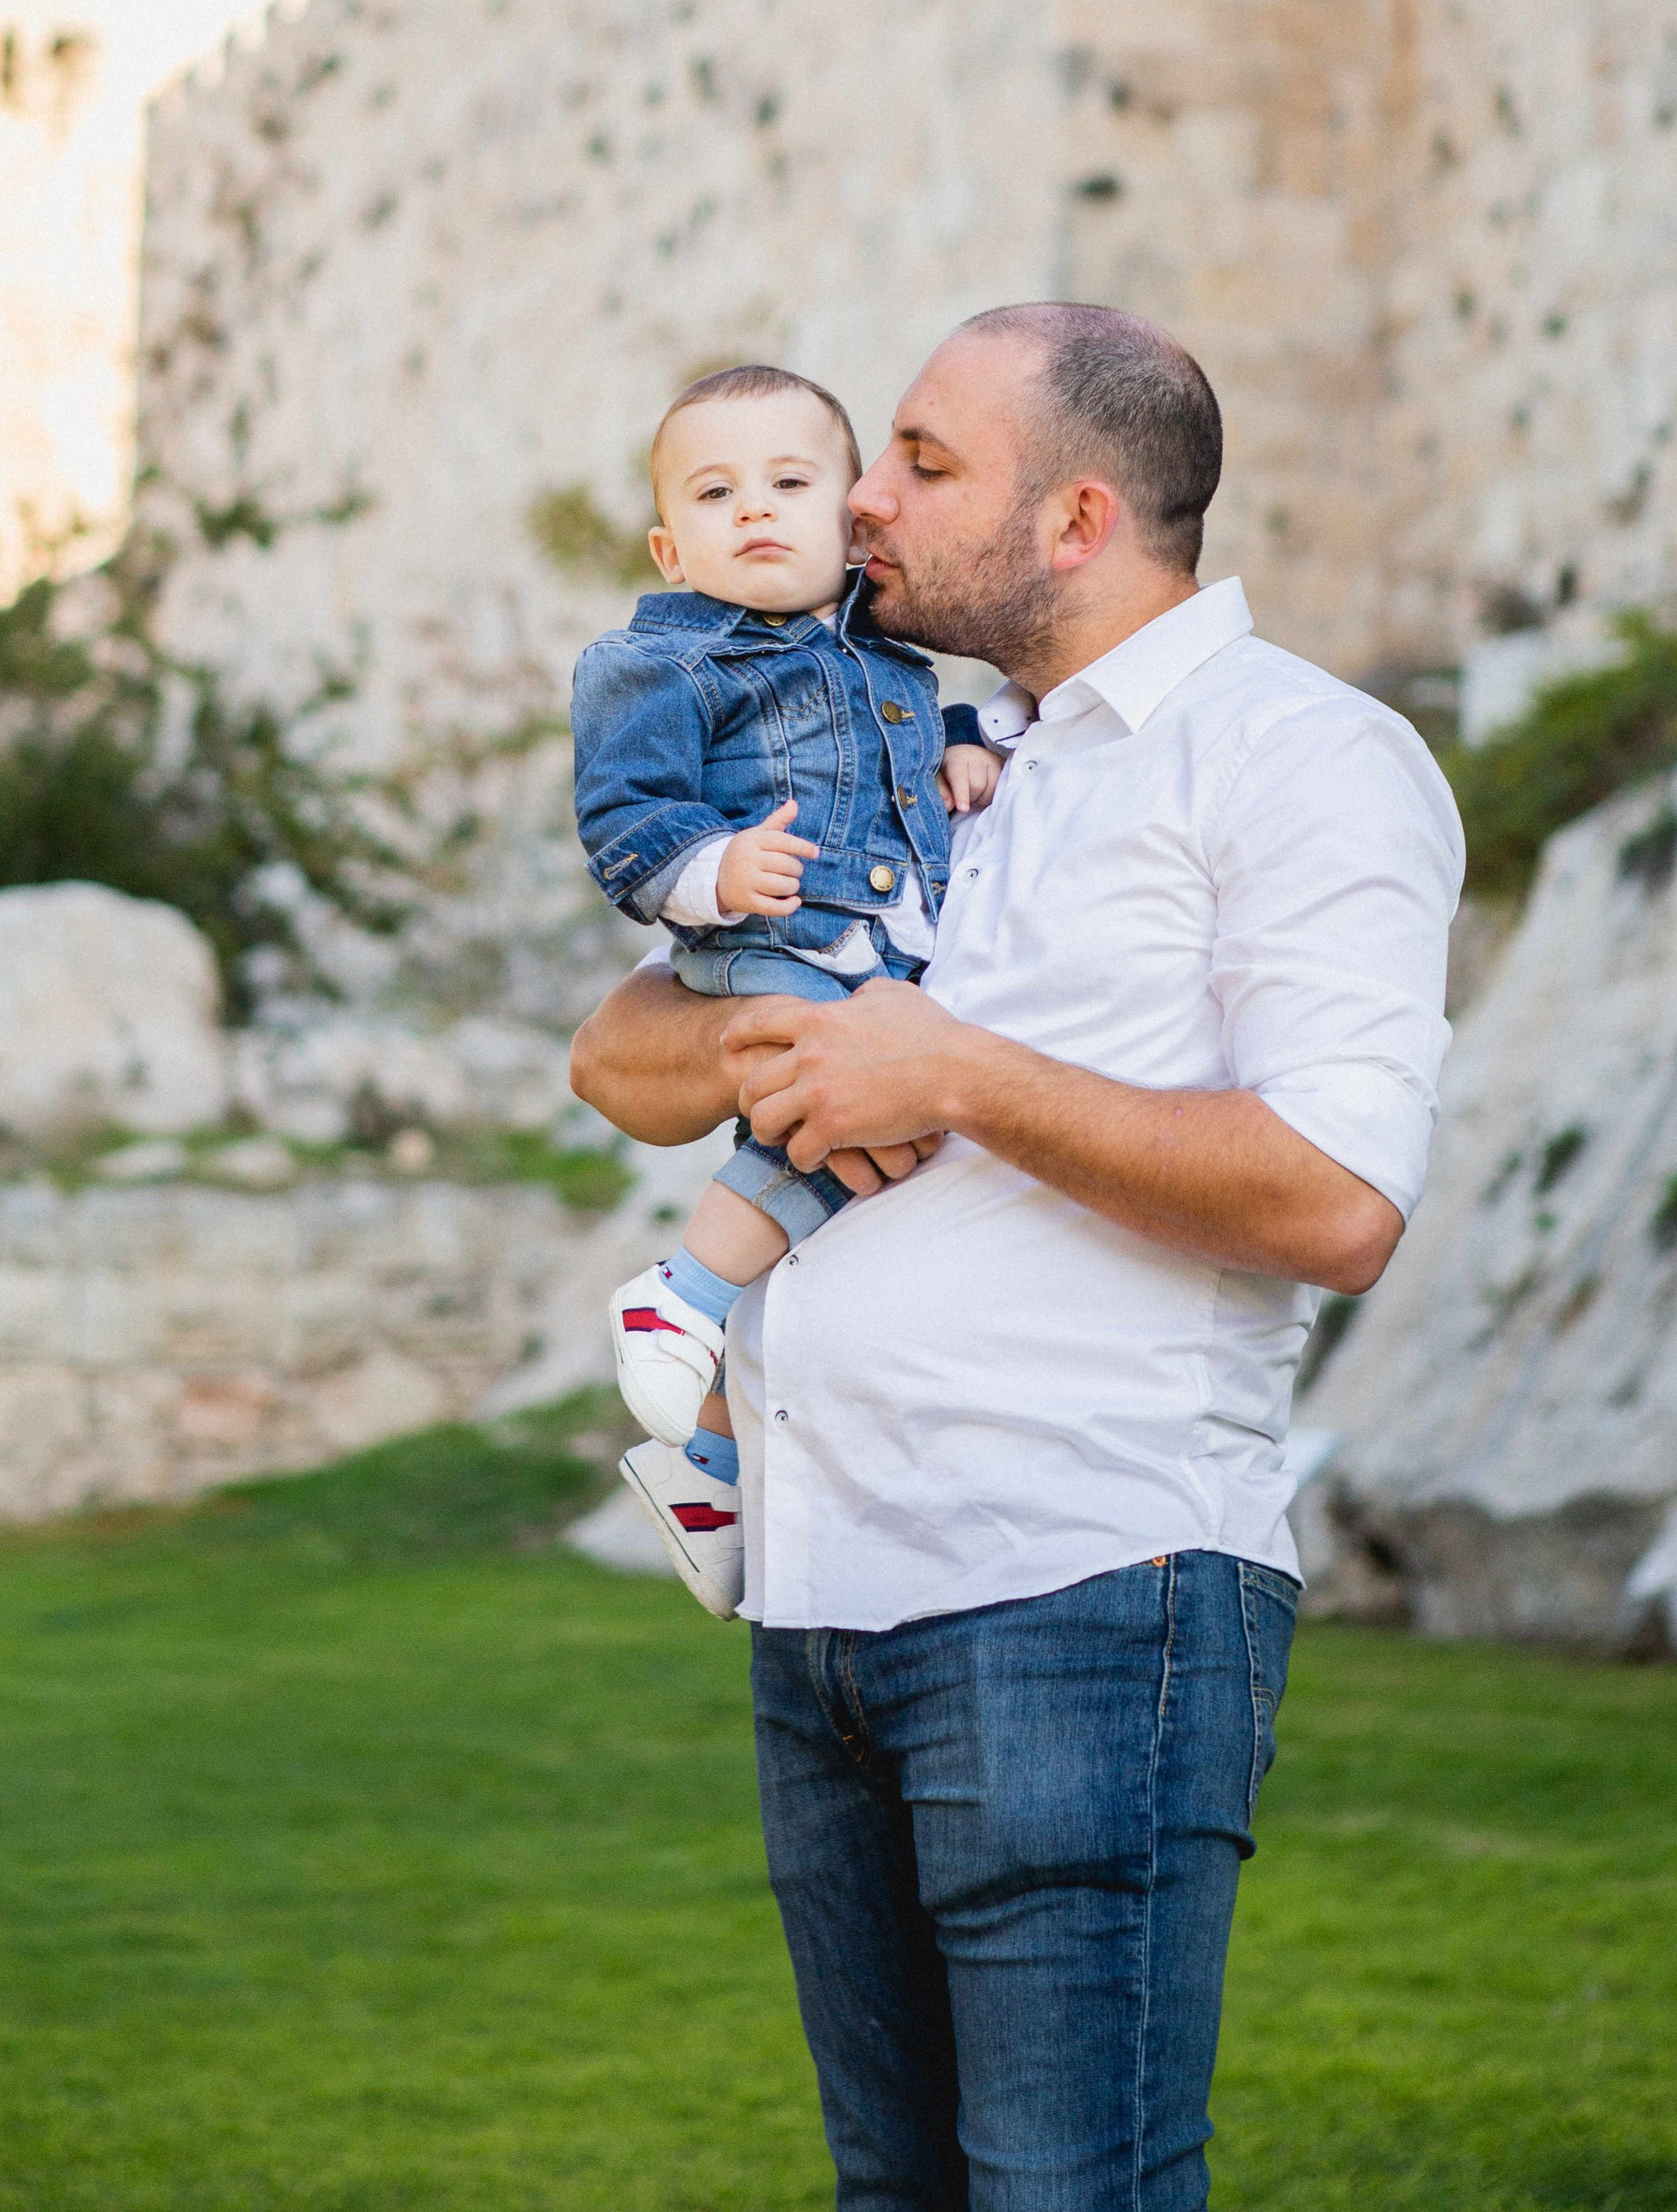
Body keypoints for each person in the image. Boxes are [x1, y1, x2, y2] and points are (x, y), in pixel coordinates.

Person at [570, 303, 1464, 2212]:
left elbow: (1333, 1199)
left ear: (1072, 520)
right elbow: (615, 1055)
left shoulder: (1302, 757)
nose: (860, 505)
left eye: (921, 463)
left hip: (1085, 1598)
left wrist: (953, 1072)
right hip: (820, 1607)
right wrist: (784, 1031)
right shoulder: (914, 745)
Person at [570, 364, 1000, 1611]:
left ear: (848, 514)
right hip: (774, 940)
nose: (755, 510)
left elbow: (908, 739)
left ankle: (707, 1461)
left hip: (865, 945)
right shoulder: (663, 661)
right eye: (716, 493)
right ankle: (682, 1293)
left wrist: (966, 749)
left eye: (789, 483)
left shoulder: (887, 644)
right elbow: (624, 820)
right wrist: (714, 867)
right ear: (670, 545)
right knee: (858, 1102)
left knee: (870, 1156)